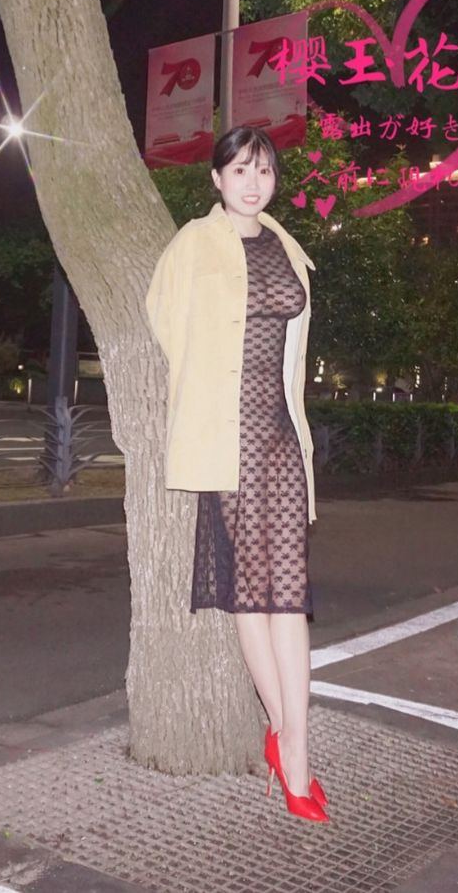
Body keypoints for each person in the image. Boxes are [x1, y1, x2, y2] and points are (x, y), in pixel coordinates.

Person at [144, 126, 328, 822]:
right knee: (258, 596)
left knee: (289, 599)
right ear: (217, 179)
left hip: (281, 436)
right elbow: (164, 319)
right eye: (240, 171)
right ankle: (294, 754)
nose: (253, 183)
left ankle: (287, 739)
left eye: (264, 171)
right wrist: (204, 391)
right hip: (229, 440)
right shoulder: (194, 243)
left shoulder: (286, 246)